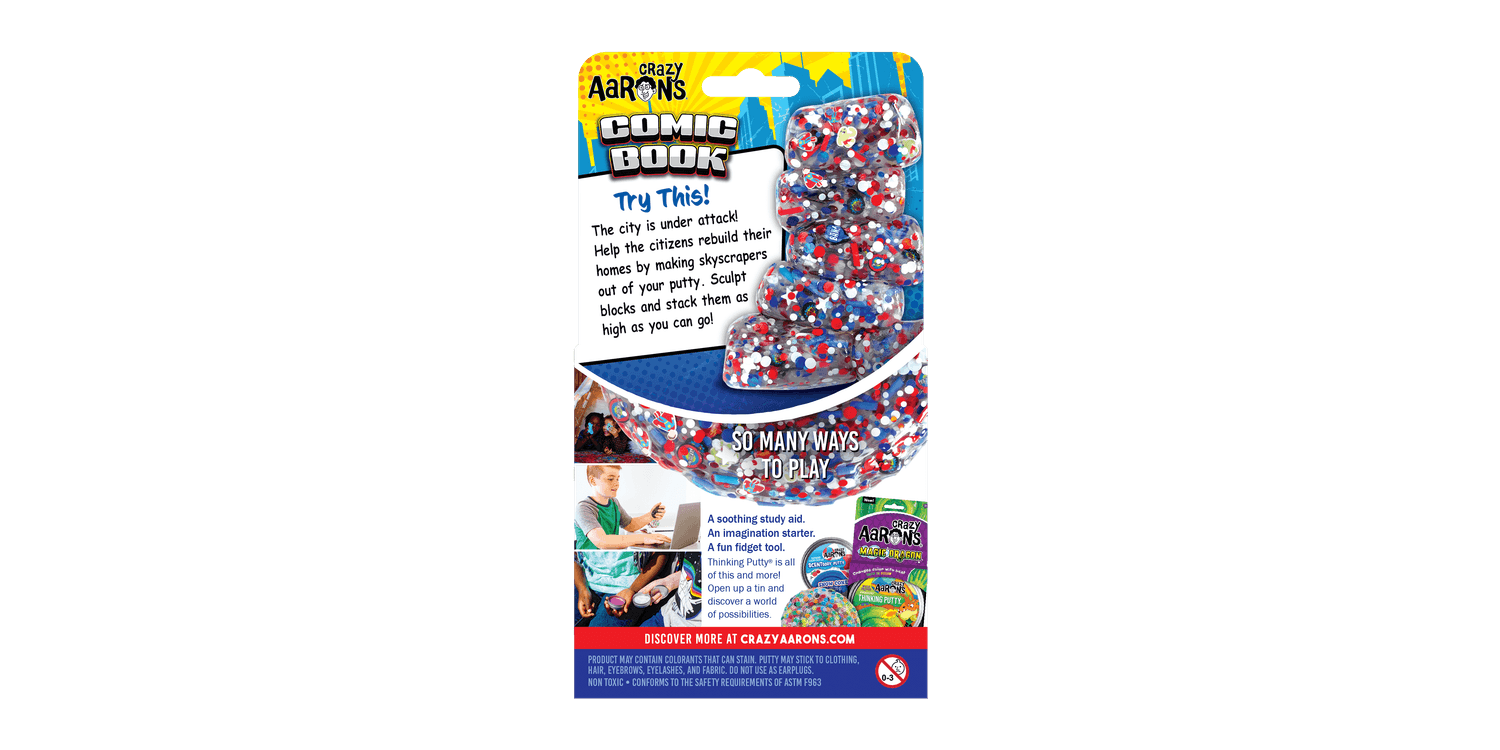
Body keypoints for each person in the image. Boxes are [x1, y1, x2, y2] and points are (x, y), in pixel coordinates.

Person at [574, 464, 670, 550]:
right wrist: (643, 538)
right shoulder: (584, 508)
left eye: (617, 479)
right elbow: (602, 541)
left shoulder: (614, 502)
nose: (616, 483)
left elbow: (630, 525)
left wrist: (650, 516)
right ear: (593, 480)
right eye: (610, 479)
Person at [574, 551, 669, 627]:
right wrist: (582, 588)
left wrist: (633, 589)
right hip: (587, 581)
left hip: (632, 586)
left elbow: (661, 555)